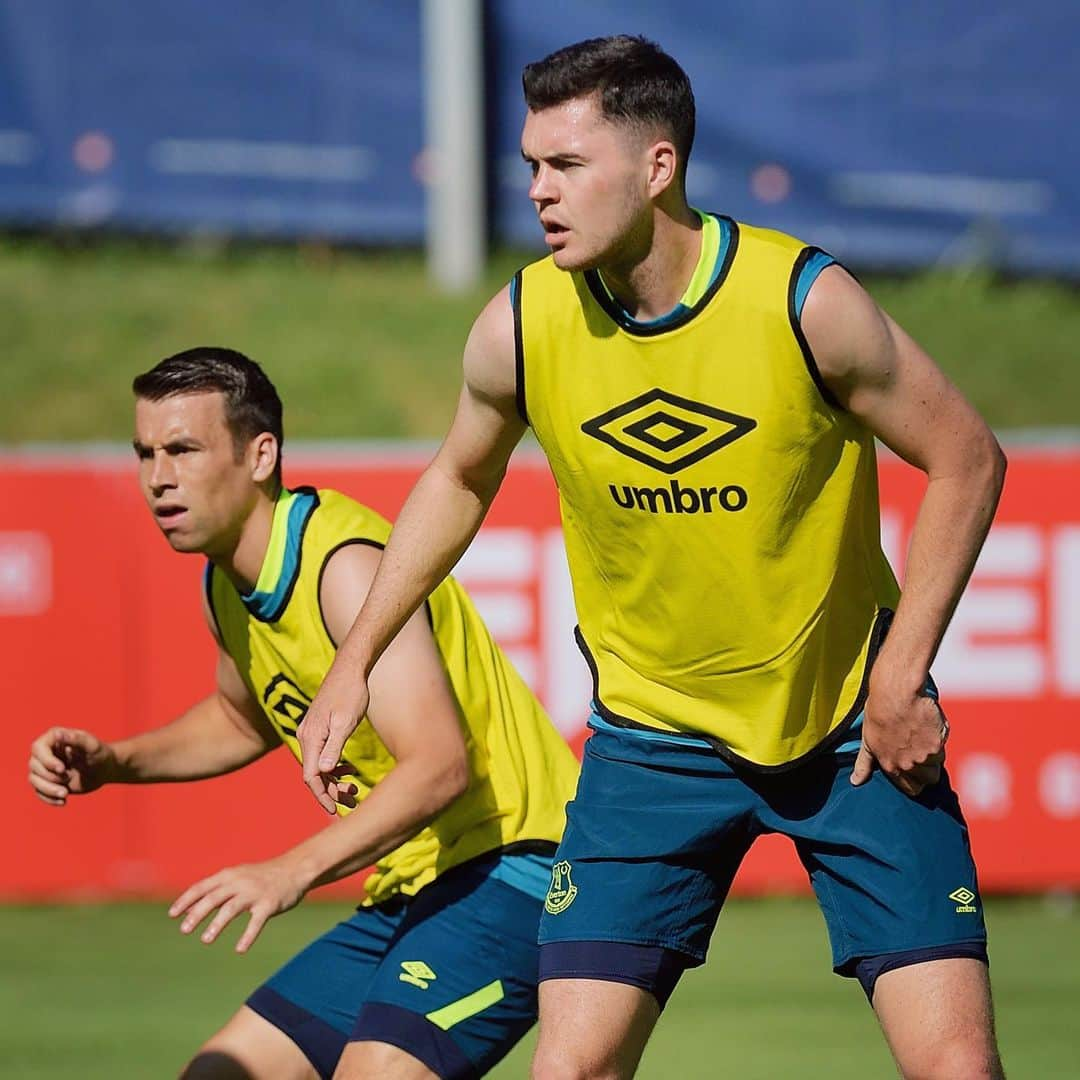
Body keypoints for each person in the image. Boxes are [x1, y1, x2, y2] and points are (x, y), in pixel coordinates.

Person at [298, 35, 1008, 1080]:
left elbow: (967, 459)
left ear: (657, 167)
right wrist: (354, 661)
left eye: (568, 166)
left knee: (956, 1070)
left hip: (851, 724)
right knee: (569, 1070)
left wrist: (902, 673)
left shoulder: (801, 301)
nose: (539, 192)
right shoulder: (522, 324)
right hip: (652, 742)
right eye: (532, 166)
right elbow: (457, 479)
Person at [27, 347, 580, 1080]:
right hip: (414, 888)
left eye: (184, 450)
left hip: (517, 869)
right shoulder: (228, 584)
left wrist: (290, 872)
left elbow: (441, 767)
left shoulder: (342, 569)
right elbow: (241, 719)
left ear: (261, 456)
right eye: (146, 454)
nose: (158, 478)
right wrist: (114, 763)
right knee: (221, 1074)